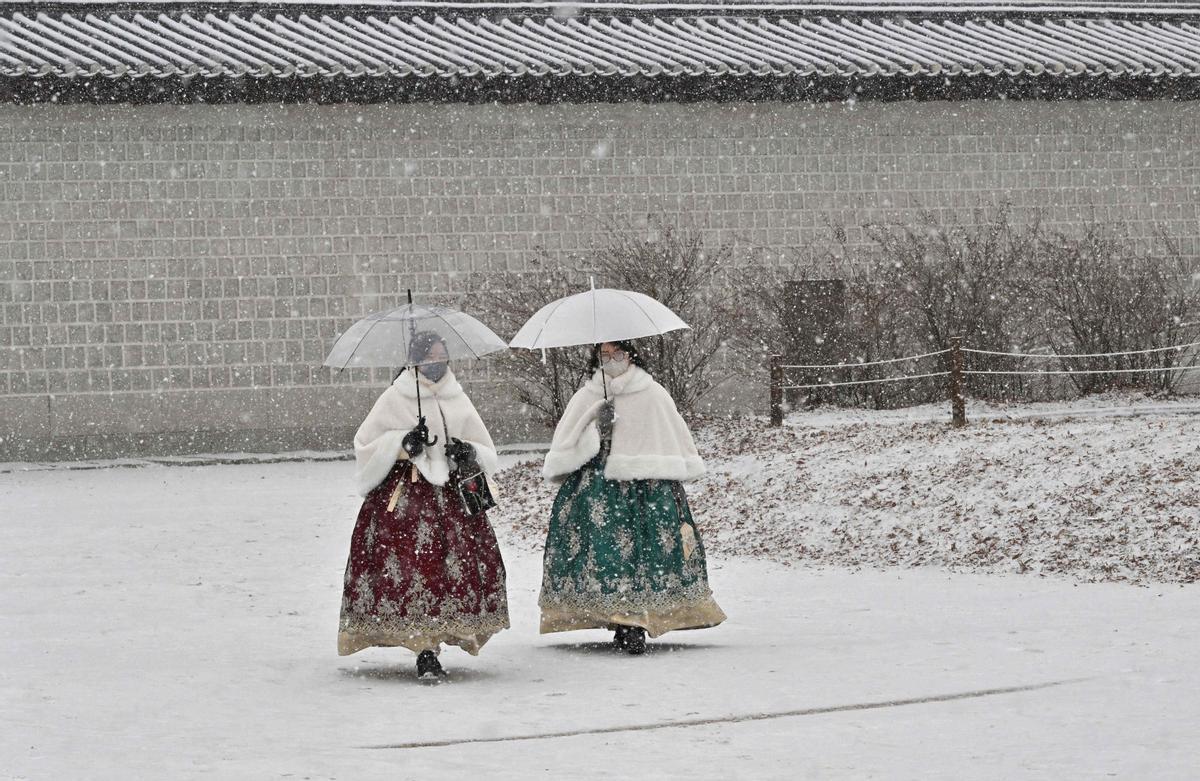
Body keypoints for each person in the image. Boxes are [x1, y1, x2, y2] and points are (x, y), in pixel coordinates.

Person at [338, 331, 508, 678]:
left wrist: (467, 452)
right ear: (415, 360)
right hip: (407, 499)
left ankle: (443, 632)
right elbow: (366, 443)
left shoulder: (457, 396)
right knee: (413, 569)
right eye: (429, 356)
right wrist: (402, 444)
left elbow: (483, 444)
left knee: (452, 569)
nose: (437, 363)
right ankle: (424, 646)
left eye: (441, 356)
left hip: (453, 499)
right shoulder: (395, 396)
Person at [538, 340, 725, 654]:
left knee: (645, 552)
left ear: (631, 355)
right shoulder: (588, 395)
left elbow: (670, 433)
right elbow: (570, 441)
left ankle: (635, 621)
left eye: (618, 354)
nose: (612, 360)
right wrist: (598, 429)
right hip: (598, 488)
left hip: (647, 489)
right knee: (606, 555)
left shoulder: (652, 393)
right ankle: (620, 618)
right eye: (605, 355)